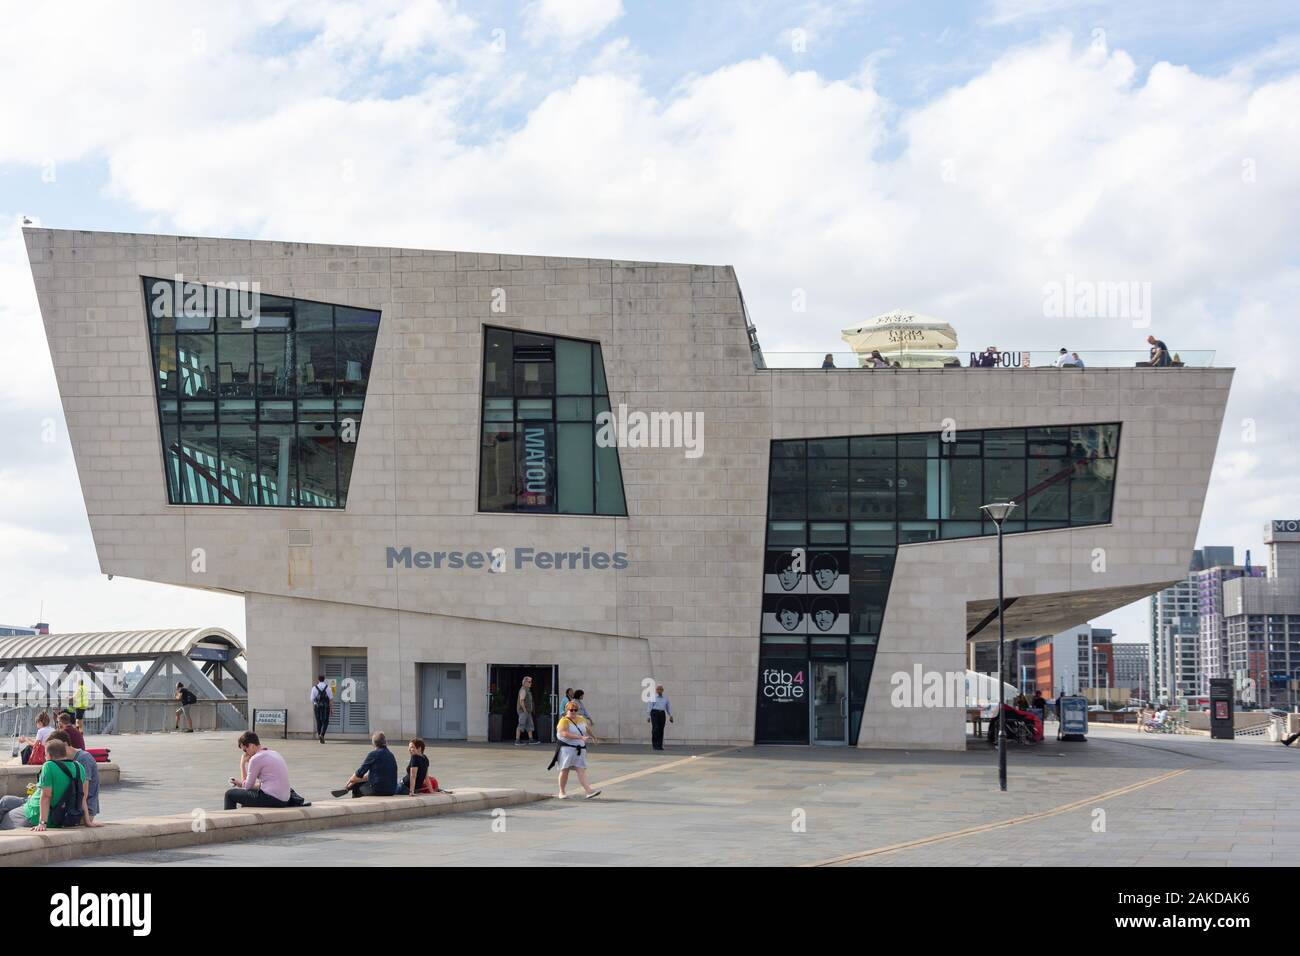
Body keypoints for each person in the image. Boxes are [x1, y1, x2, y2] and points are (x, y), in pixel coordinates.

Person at [0, 738, 95, 831]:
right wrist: (88, 821)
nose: (45, 757)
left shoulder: (49, 766)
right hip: (61, 814)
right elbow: (81, 797)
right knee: (5, 801)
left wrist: (42, 823)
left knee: (5, 819)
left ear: (49, 755)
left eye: (45, 755)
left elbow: (46, 796)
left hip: (35, 814)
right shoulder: (79, 767)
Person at [224, 731, 292, 810]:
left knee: (229, 794)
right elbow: (263, 785)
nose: (246, 754)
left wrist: (242, 765)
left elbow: (247, 787)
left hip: (273, 799)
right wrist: (240, 784)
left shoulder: (256, 758)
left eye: (245, 750)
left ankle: (231, 821)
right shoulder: (274, 753)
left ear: (251, 746)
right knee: (246, 799)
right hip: (284, 799)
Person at [48, 729, 100, 824]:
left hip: (80, 813)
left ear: (65, 744)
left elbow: (83, 793)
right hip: (69, 807)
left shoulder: (83, 759)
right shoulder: (69, 760)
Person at [553, 700, 600, 800]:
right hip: (566, 749)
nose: (573, 712)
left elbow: (587, 729)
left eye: (575, 710)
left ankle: (588, 791)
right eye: (571, 710)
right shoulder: (564, 720)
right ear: (567, 710)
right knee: (565, 770)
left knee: (581, 770)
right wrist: (579, 737)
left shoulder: (581, 719)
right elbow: (563, 733)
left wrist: (594, 737)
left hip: (579, 749)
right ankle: (562, 791)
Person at [333, 732, 398, 798]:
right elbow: (373, 775)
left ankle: (353, 801)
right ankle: (347, 788)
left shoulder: (373, 754)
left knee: (357, 787)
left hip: (378, 790)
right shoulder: (391, 755)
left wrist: (349, 782)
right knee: (360, 781)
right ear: (385, 742)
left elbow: (359, 774)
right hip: (391, 790)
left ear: (373, 743)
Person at [646, 685, 673, 751]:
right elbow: (649, 707)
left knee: (661, 729)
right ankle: (655, 745)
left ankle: (660, 745)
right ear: (656, 690)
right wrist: (648, 716)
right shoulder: (653, 697)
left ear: (662, 690)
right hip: (654, 713)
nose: (659, 691)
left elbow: (668, 707)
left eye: (661, 689)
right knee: (655, 728)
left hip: (662, 713)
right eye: (658, 689)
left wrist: (670, 715)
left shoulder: (665, 698)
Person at [515, 675, 538, 746]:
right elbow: (522, 701)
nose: (531, 683)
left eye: (531, 682)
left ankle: (531, 739)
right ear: (525, 682)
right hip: (524, 711)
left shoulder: (528, 690)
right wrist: (525, 710)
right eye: (529, 682)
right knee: (521, 725)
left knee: (529, 725)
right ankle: (517, 740)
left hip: (528, 712)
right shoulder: (523, 690)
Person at [310, 675, 333, 744]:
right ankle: (322, 734)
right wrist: (331, 708)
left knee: (318, 721)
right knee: (326, 721)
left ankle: (320, 737)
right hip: (326, 707)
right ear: (324, 679)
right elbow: (331, 699)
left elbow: (312, 699)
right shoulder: (328, 688)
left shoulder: (314, 688)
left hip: (317, 707)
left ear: (318, 680)